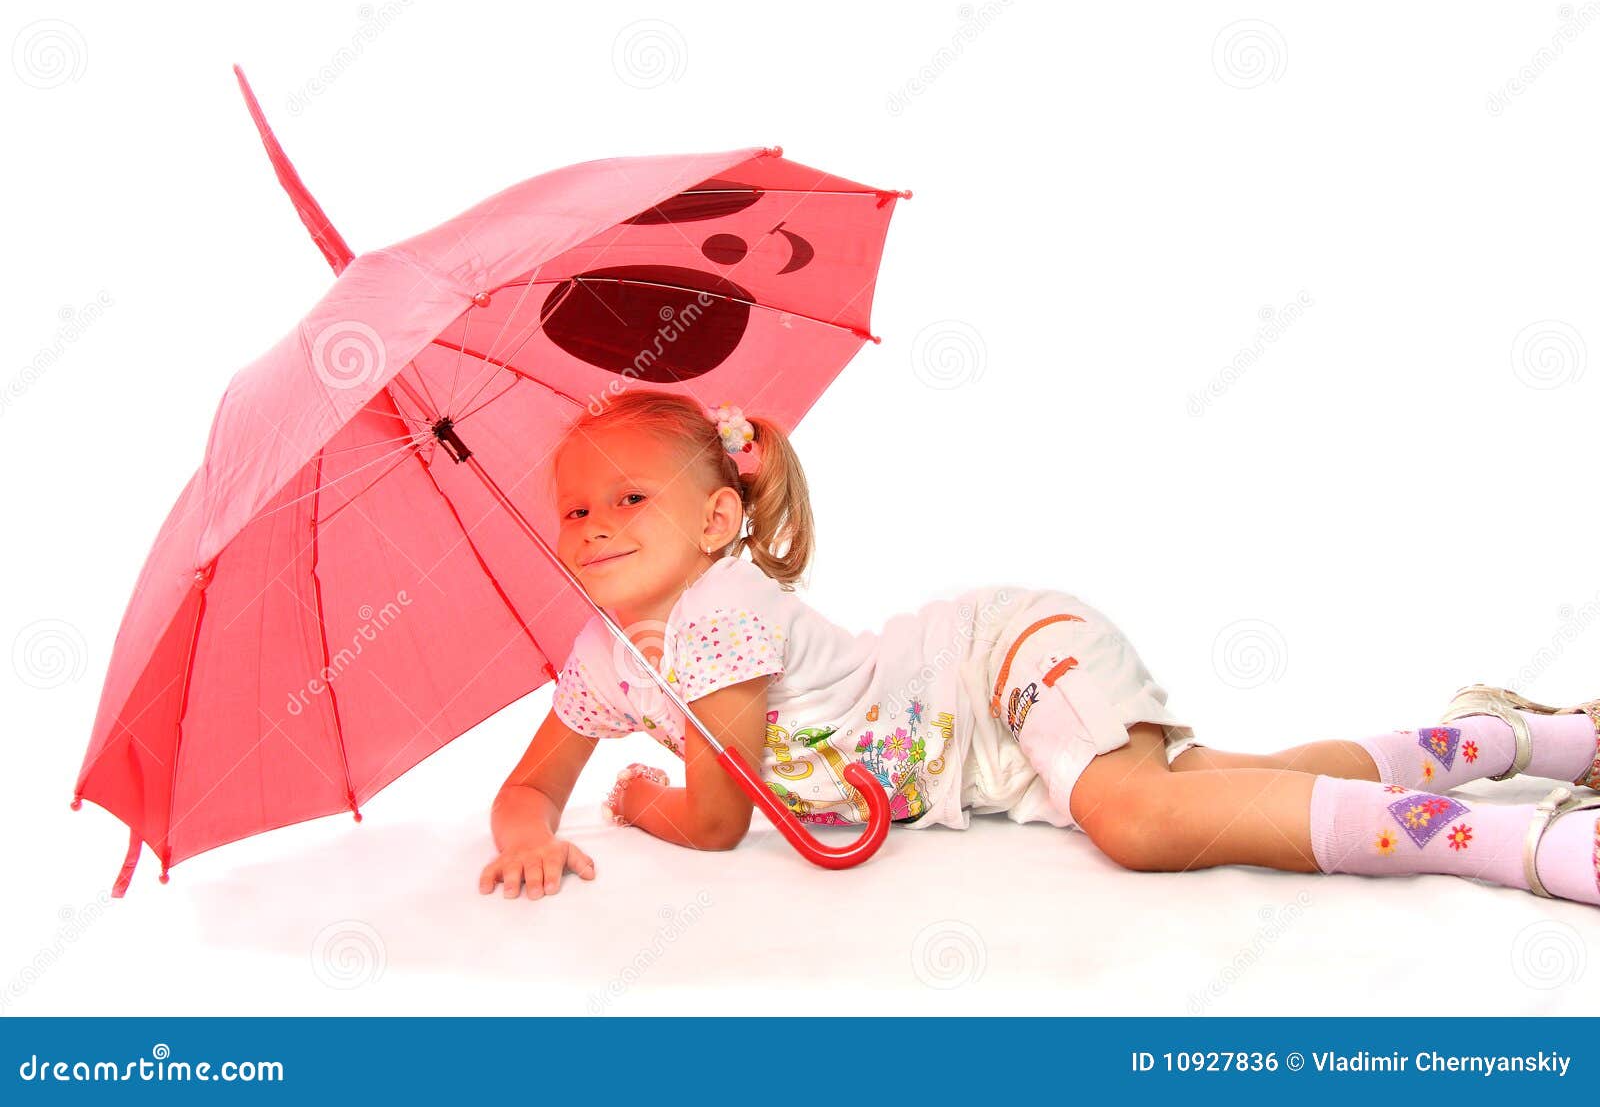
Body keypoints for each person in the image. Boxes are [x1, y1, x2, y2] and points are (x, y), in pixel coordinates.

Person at [479, 389, 1600, 904]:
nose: (595, 524)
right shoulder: (607, 652)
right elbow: (531, 782)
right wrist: (524, 832)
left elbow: (717, 819)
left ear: (718, 521)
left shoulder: (722, 611)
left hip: (999, 665)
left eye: (628, 495)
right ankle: (1516, 736)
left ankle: (1521, 851)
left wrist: (641, 805)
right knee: (1227, 789)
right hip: (992, 755)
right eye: (574, 511)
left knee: (1141, 823)